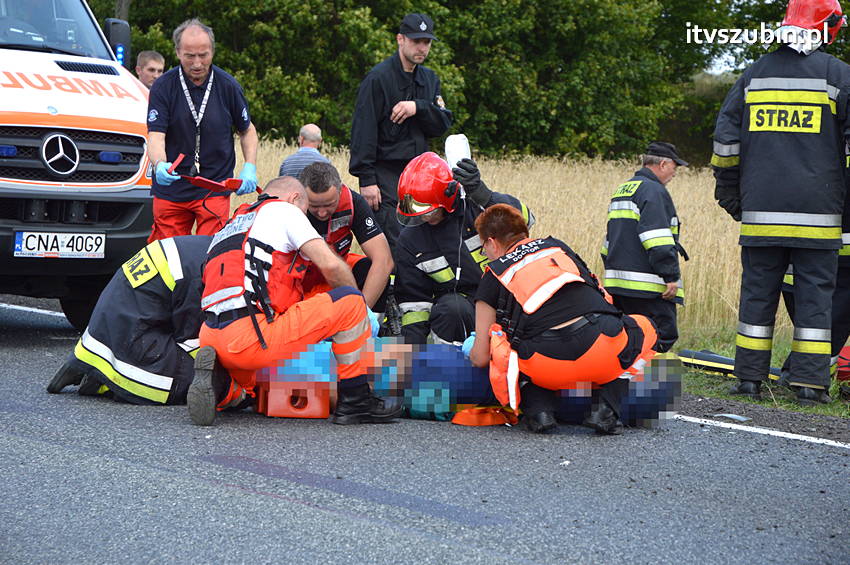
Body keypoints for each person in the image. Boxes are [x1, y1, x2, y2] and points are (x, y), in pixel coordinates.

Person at [712, 0, 850, 405]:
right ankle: (808, 386)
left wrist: (730, 193)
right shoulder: (838, 75)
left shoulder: (753, 74)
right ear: (828, 28)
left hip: (760, 214)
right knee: (815, 300)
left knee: (757, 296)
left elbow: (725, 143)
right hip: (820, 215)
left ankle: (749, 381)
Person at [189, 176, 402, 426]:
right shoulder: (286, 211)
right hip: (252, 337)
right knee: (350, 302)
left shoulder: (233, 223)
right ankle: (356, 402)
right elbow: (331, 266)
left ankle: (226, 388)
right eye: (306, 211)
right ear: (295, 198)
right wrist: (359, 308)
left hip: (211, 336)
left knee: (259, 382)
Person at [466, 204, 657, 434]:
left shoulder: (494, 274)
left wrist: (468, 348)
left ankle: (539, 410)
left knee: (500, 338)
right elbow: (602, 298)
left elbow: (480, 358)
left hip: (545, 367)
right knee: (648, 328)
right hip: (603, 351)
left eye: (482, 248)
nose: (484, 254)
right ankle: (606, 407)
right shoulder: (557, 248)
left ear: (491, 242)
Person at [46, 235, 212, 405]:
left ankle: (97, 365)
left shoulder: (197, 249)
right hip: (134, 339)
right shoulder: (204, 272)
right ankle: (109, 382)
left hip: (107, 330)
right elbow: (193, 339)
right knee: (207, 380)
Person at [394, 152, 534, 345]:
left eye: (429, 210)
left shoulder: (477, 208)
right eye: (414, 210)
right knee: (450, 309)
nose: (423, 217)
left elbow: (525, 221)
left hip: (509, 296)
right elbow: (414, 303)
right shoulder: (410, 240)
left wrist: (482, 193)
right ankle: (451, 369)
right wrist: (412, 354)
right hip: (465, 309)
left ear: (447, 197)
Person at [146, 18, 259, 242]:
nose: (197, 63)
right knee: (167, 253)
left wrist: (250, 167)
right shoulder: (163, 87)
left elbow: (247, 130)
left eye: (203, 55)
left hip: (213, 186)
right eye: (190, 56)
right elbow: (156, 136)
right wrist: (159, 164)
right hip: (172, 188)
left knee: (209, 252)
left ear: (212, 52)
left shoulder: (228, 86)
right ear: (178, 52)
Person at [349, 13, 453, 251]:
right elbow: (362, 131)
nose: (422, 48)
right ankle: (395, 288)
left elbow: (442, 124)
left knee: (422, 238)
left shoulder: (429, 79)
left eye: (426, 42)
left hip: (419, 174)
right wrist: (366, 179)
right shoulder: (378, 78)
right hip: (386, 173)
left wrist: (418, 107)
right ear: (400, 39)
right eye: (416, 41)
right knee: (396, 238)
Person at [602, 141, 687, 353]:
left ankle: (626, 382)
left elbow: (608, 241)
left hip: (619, 284)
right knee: (660, 337)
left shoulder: (623, 189)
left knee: (628, 339)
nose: (674, 175)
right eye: (675, 168)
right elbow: (657, 239)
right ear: (664, 164)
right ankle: (650, 385)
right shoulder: (654, 191)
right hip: (648, 287)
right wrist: (670, 276)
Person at [298, 161, 394, 312]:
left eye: (329, 204)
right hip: (302, 281)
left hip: (339, 275)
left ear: (340, 191)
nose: (322, 213)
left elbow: (384, 260)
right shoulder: (289, 208)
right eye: (314, 206)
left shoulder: (353, 202)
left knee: (371, 269)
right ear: (301, 196)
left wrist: (363, 312)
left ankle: (376, 327)